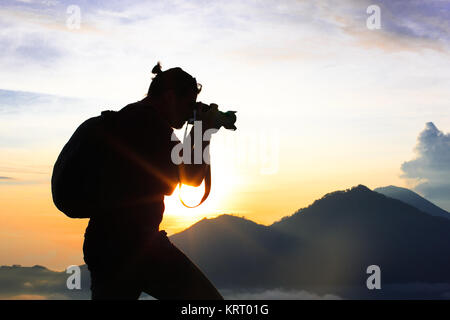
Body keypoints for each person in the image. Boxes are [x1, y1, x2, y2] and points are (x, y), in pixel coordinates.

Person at [82, 62, 223, 300]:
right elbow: (191, 177)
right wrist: (203, 129)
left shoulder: (127, 118)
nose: (190, 112)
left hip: (102, 244)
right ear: (169, 97)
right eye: (188, 104)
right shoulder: (151, 126)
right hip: (137, 246)